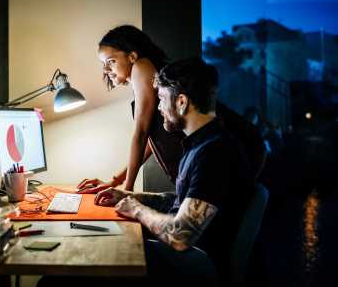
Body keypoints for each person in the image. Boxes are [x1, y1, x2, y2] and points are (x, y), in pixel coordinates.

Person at [96, 58, 256, 282]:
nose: (159, 108)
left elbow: (181, 235)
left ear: (181, 102)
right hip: (186, 257)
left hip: (194, 264)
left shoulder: (213, 153)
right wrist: (129, 196)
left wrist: (136, 210)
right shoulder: (201, 143)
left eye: (161, 99)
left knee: (79, 268)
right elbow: (181, 202)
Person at [77, 25, 265, 195]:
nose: (106, 70)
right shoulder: (148, 77)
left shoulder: (141, 67)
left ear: (132, 56)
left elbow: (141, 133)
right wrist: (117, 181)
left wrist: (126, 191)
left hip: (234, 155)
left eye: (110, 61)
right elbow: (151, 139)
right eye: (103, 64)